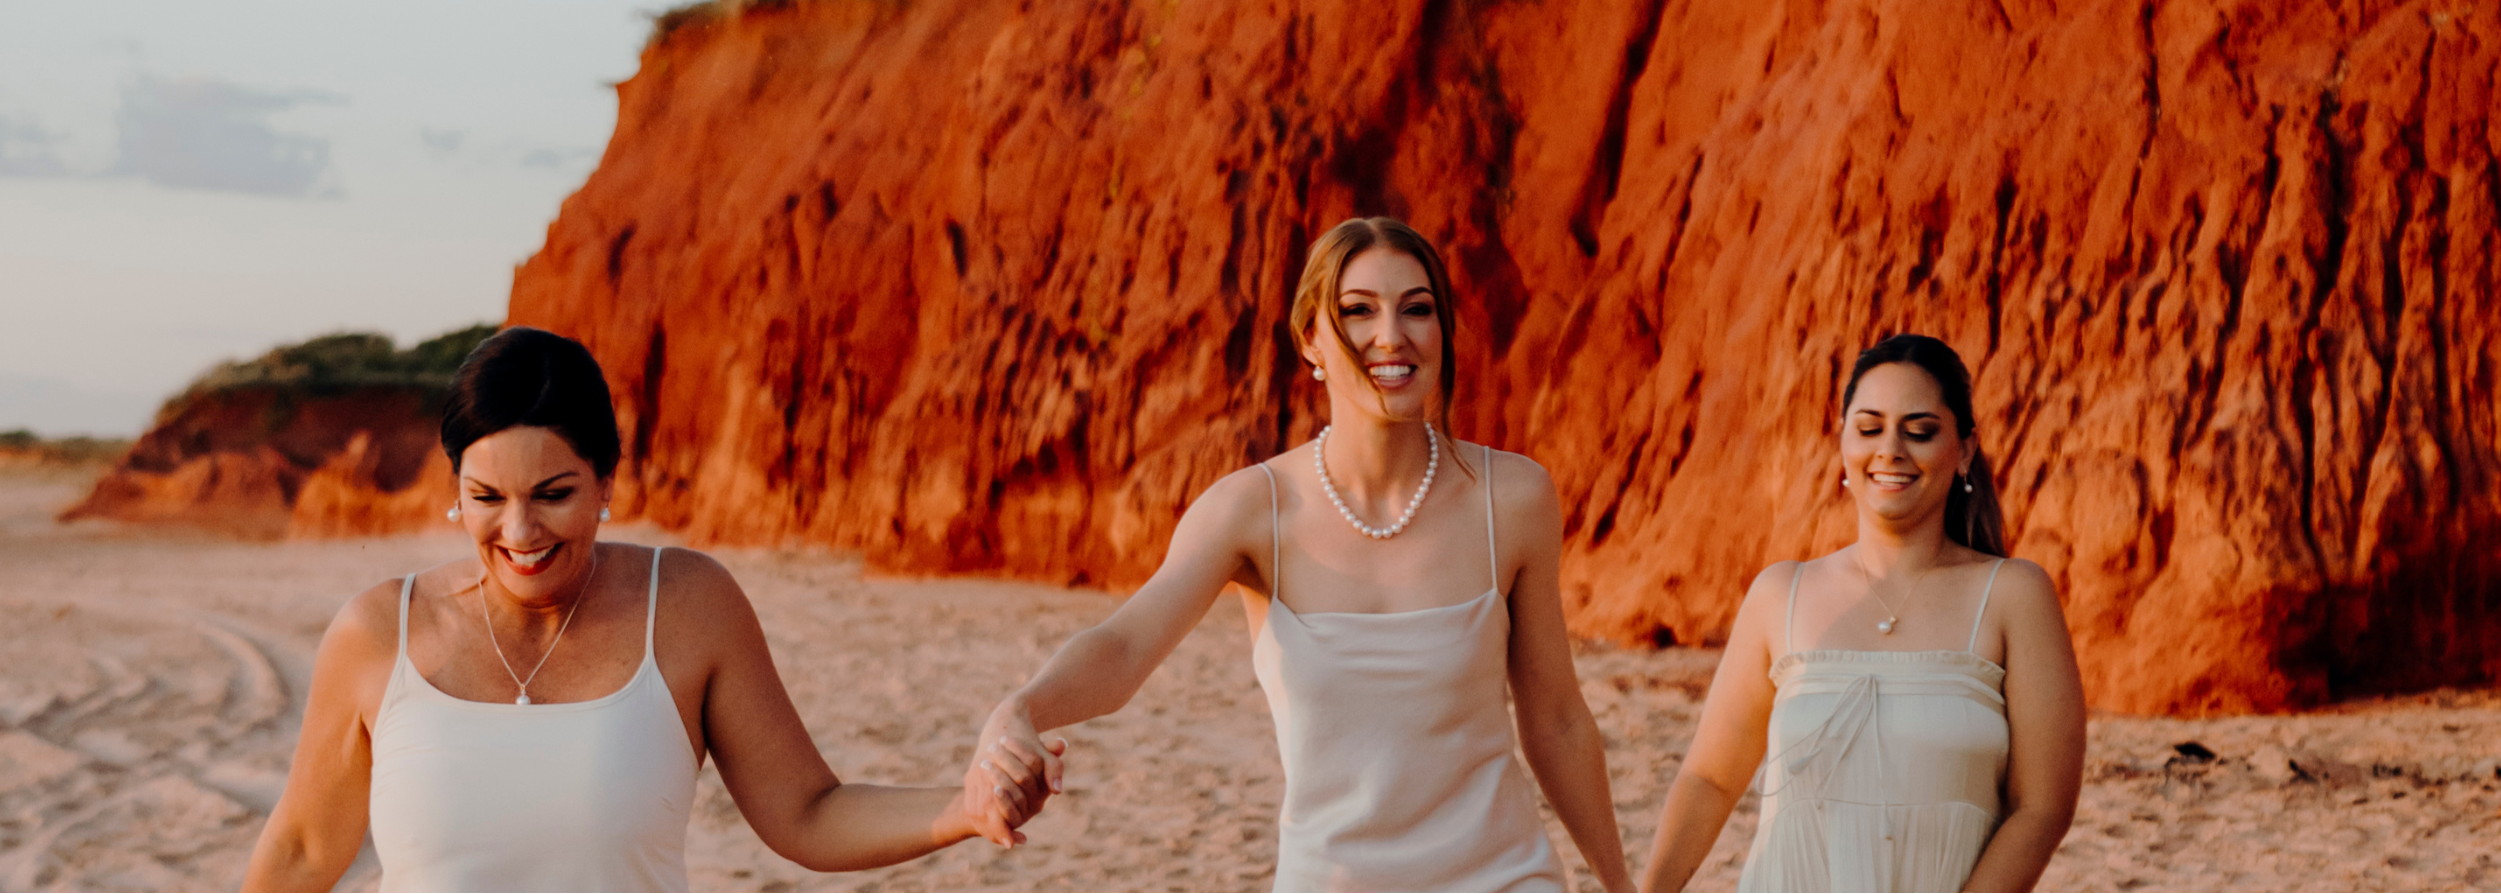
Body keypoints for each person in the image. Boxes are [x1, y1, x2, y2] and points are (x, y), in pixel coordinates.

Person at [243, 327, 1054, 892]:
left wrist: (960, 810)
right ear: (454, 491)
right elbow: (304, 852)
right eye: (486, 497)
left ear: (606, 483)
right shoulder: (377, 632)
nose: (519, 532)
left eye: (554, 494)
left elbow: (806, 813)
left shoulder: (689, 607)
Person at [961, 217, 1634, 892]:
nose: (1390, 336)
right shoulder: (1251, 510)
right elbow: (1125, 647)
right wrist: (1020, 707)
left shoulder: (1511, 497)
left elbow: (1556, 719)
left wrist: (1620, 887)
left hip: (1505, 878)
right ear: (1310, 338)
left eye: (1416, 309)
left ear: (1442, 331)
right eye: (1357, 312)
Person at [1636, 334, 2085, 892]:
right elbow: (1708, 779)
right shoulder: (1782, 593)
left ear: (1965, 449)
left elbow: (2041, 808)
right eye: (1869, 428)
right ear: (1842, 441)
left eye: (1919, 431)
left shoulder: (2014, 595)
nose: (1890, 450)